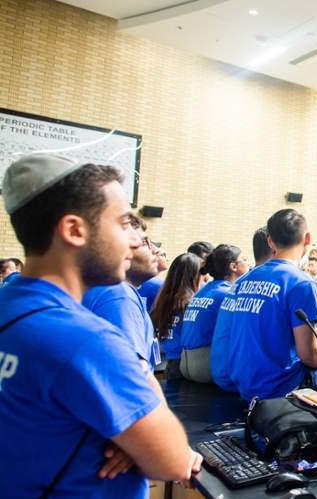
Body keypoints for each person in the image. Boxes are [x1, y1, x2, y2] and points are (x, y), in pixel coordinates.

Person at [0, 154, 201, 497]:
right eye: (123, 224)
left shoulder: (9, 304)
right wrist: (141, 442)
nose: (136, 241)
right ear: (75, 230)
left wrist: (127, 436)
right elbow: (173, 462)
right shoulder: (85, 340)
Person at [229, 209, 317, 401]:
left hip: (244, 383)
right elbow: (307, 355)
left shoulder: (245, 279)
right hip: (277, 387)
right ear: (307, 238)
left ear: (271, 241)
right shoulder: (302, 283)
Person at [83, 216, 162, 368]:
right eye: (145, 242)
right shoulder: (119, 295)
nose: (155, 250)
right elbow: (132, 371)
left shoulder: (107, 289)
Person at [210, 227, 274, 393]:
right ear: (273, 245)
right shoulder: (266, 282)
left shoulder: (241, 282)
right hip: (236, 376)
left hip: (219, 369)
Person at [180, 245, 249, 383]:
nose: (248, 263)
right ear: (233, 267)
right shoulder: (226, 294)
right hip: (205, 364)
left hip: (186, 362)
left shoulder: (205, 290)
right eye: (244, 259)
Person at [149, 253, 203, 380]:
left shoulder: (164, 300)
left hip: (171, 363)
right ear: (193, 276)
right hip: (186, 364)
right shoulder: (190, 303)